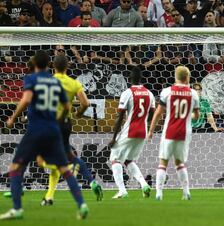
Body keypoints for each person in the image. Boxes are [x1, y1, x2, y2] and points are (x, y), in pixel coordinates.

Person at [0, 51, 88, 220]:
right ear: (49, 65)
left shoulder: (32, 79)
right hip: (53, 130)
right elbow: (68, 106)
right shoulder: (55, 82)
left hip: (36, 129)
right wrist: (58, 120)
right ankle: (82, 204)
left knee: (15, 168)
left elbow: (26, 100)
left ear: (34, 63)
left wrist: (12, 118)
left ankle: (17, 208)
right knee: (65, 169)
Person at [38, 55, 103, 205]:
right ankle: (51, 196)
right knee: (70, 155)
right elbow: (85, 103)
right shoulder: (74, 83)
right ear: (68, 67)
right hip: (66, 124)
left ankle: (65, 168)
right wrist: (78, 113)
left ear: (52, 66)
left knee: (40, 159)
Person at [148, 66, 200, 200]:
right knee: (180, 163)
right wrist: (187, 116)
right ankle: (186, 192)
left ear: (175, 77)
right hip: (184, 133)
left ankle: (159, 193)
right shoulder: (193, 94)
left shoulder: (167, 92)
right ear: (187, 78)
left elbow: (158, 113)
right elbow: (197, 116)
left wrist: (151, 130)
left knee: (163, 163)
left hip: (169, 131)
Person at [108, 66, 155, 199]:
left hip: (130, 130)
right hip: (143, 132)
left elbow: (120, 117)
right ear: (141, 79)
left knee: (115, 159)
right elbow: (152, 113)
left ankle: (122, 191)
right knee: (129, 160)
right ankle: (144, 184)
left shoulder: (127, 93)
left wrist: (113, 137)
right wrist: (144, 120)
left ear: (130, 78)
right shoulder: (149, 93)